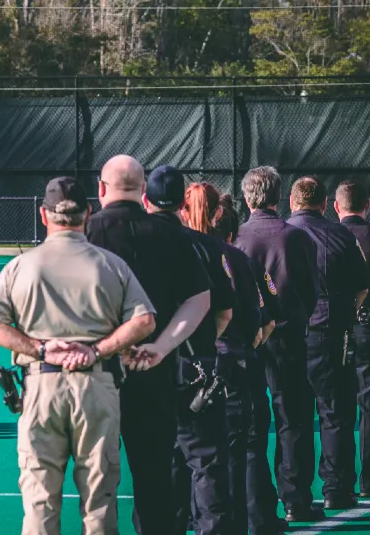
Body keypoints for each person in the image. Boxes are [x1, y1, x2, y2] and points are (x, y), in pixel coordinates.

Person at [0, 176, 156, 535]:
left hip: (41, 388)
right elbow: (144, 320)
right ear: (88, 213)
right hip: (98, 387)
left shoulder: (22, 266)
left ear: (44, 215)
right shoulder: (110, 265)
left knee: (40, 502)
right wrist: (96, 350)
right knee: (100, 502)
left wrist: (40, 348)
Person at [85, 155, 211, 535]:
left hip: (96, 376)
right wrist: (162, 346)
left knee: (95, 481)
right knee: (156, 479)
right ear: (143, 192)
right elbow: (200, 299)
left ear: (101, 189)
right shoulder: (171, 234)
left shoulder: (85, 234)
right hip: (152, 373)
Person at [186, 184, 284, 535]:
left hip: (195, 368)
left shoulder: (184, 252)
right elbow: (269, 314)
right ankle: (255, 522)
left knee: (195, 460)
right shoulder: (241, 259)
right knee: (246, 451)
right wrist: (251, 345)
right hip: (239, 365)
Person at [142, 169, 234, 535]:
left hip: (150, 363)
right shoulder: (207, 246)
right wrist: (204, 341)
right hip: (197, 364)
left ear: (146, 201)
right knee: (206, 461)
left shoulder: (137, 242)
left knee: (164, 460)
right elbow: (225, 310)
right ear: (182, 204)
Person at [235, 166, 324, 522]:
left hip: (250, 340)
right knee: (294, 418)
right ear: (279, 195)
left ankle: (257, 503)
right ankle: (295, 498)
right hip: (289, 337)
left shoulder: (238, 237)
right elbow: (312, 290)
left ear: (247, 197)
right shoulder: (296, 237)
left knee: (254, 423)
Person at [287, 176, 369, 509]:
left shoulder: (282, 233)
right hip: (333, 333)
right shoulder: (340, 235)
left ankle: (295, 497)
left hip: (290, 334)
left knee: (293, 416)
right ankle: (337, 490)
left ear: (292, 202)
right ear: (325, 205)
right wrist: (346, 310)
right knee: (336, 412)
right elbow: (362, 284)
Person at [334, 179, 370, 497]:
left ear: (336, 207)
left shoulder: (329, 236)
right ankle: (368, 479)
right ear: (367, 206)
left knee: (337, 405)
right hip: (365, 327)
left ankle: (340, 481)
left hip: (333, 330)